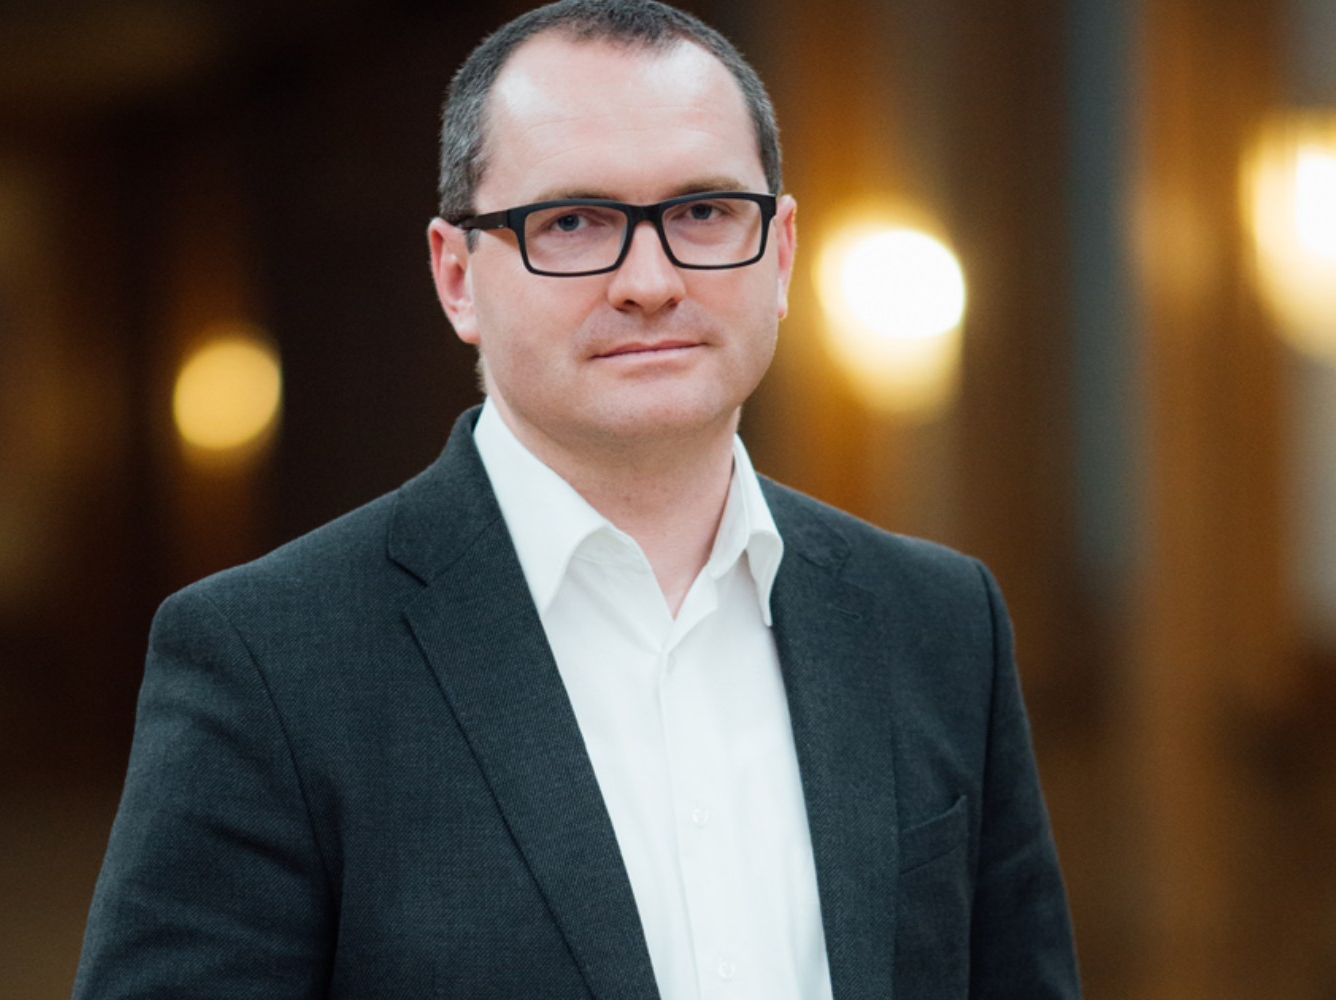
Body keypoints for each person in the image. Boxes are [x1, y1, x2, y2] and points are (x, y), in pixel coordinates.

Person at [73, 1, 1081, 997]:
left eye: (702, 212)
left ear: (779, 253)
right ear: (457, 277)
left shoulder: (939, 623)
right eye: (572, 222)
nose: (651, 280)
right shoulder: (270, 661)